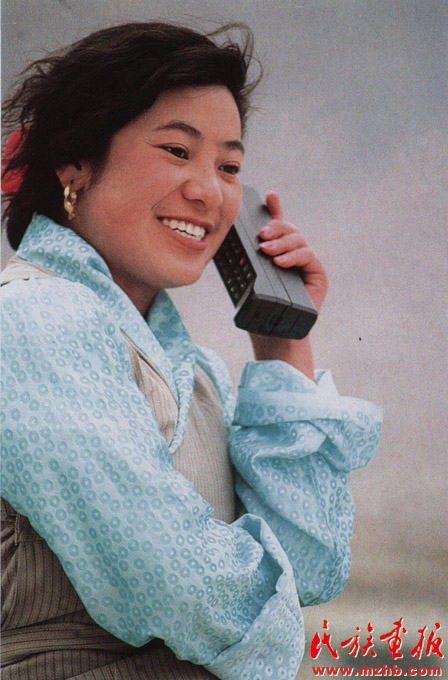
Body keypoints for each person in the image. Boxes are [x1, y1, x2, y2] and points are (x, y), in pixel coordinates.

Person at [1, 21, 383, 680]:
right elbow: (173, 582)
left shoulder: (198, 375)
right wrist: (275, 616)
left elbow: (311, 565)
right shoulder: (31, 317)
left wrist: (283, 343)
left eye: (229, 167)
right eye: (178, 151)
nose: (209, 192)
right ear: (74, 162)